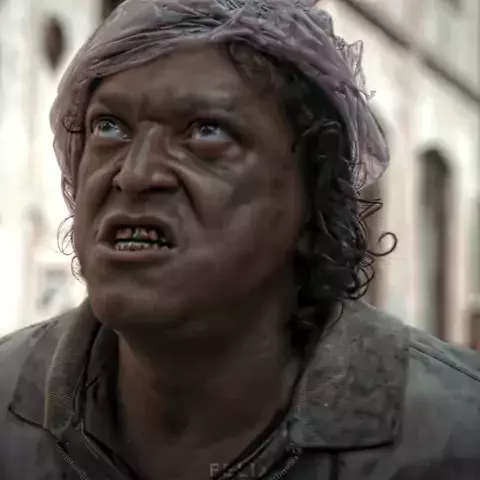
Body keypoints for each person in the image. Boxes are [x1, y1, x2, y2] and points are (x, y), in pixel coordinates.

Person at [1, 1, 480, 479]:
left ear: (312, 200)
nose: (136, 174)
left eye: (206, 132)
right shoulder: (9, 402)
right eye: (110, 127)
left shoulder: (459, 435)